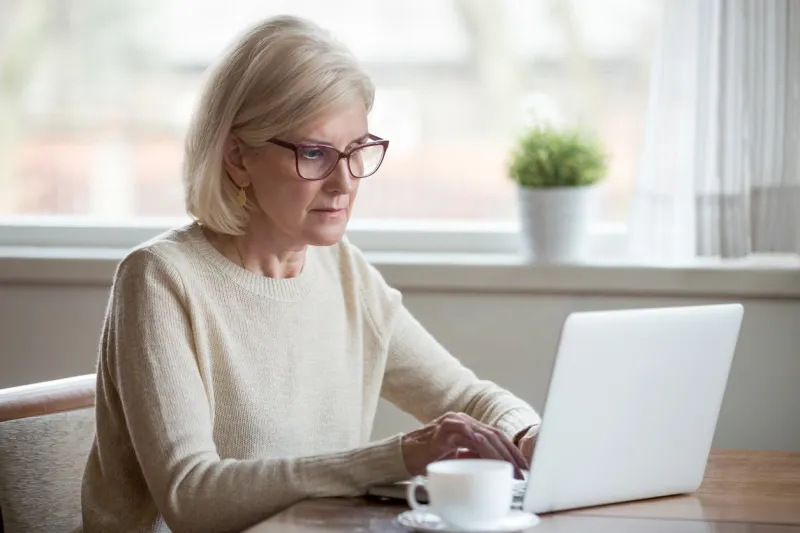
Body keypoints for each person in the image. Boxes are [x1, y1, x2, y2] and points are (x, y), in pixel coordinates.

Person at [79, 14, 541, 533]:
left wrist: (527, 435)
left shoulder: (343, 271)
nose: (344, 184)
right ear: (237, 157)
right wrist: (399, 456)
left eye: (358, 150)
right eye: (315, 153)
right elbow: (193, 497)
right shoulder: (160, 279)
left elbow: (468, 399)